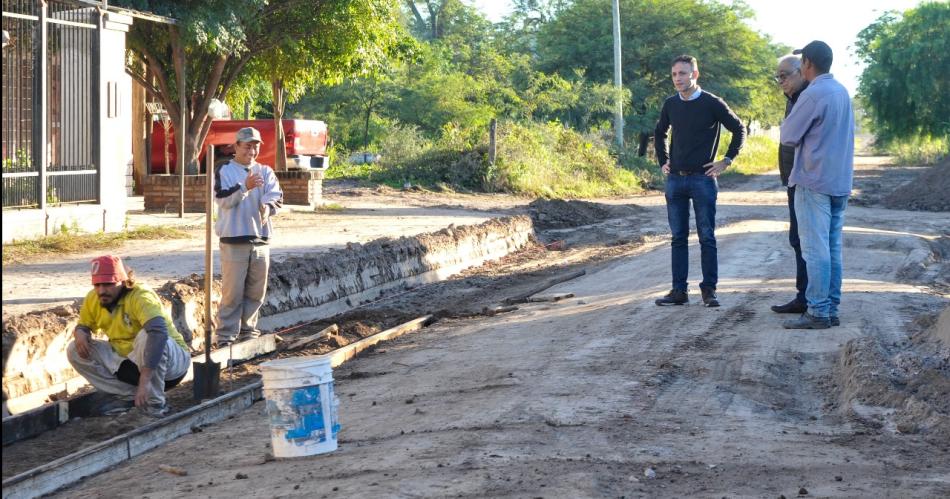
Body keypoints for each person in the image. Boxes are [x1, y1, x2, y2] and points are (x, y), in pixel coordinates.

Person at [654, 54, 746, 308]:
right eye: (674, 74)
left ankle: (709, 291)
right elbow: (660, 132)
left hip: (703, 180)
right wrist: (663, 160)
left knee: (707, 236)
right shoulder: (670, 104)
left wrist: (726, 160)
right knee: (678, 237)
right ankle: (678, 291)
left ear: (695, 74)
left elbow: (739, 129)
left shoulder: (712, 103)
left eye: (683, 73)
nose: (677, 79)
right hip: (675, 180)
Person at [779, 40, 854, 329]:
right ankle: (830, 308)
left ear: (808, 64)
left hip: (813, 181)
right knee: (832, 247)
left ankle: (818, 311)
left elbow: (788, 135)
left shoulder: (813, 94)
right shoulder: (842, 92)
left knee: (814, 249)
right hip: (839, 181)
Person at [67, 255, 191, 417]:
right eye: (97, 285)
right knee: (74, 350)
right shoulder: (94, 298)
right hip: (129, 362)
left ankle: (155, 404)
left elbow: (158, 334)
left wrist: (145, 381)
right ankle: (130, 395)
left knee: (147, 336)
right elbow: (83, 325)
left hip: (171, 365)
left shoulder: (140, 296)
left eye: (108, 284)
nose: (102, 290)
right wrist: (80, 333)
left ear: (123, 281)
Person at [214, 126, 283, 347]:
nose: (251, 151)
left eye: (255, 146)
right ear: (236, 147)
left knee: (256, 291)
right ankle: (226, 336)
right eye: (247, 146)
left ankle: (248, 332)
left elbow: (276, 197)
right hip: (234, 239)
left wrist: (267, 208)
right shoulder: (225, 171)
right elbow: (223, 200)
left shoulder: (265, 171)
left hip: (260, 240)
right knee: (232, 292)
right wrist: (245, 186)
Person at [771, 55, 810, 315]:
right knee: (797, 239)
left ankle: (810, 298)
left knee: (806, 241)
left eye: (785, 75)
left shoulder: (807, 99)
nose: (781, 81)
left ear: (802, 71)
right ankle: (804, 296)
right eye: (778, 76)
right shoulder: (794, 99)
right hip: (794, 181)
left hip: (806, 181)